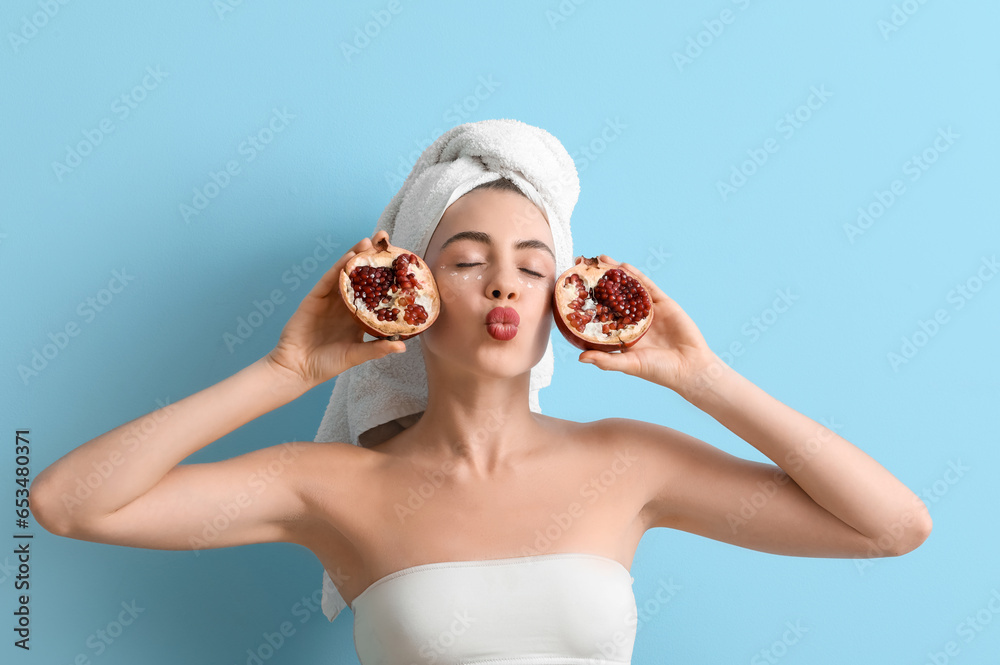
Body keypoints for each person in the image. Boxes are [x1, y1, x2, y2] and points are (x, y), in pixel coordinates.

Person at [31, 151, 931, 665]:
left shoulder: (630, 461)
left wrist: (703, 377)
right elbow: (69, 502)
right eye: (467, 260)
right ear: (412, 288)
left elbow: (892, 526)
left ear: (559, 297)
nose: (506, 279)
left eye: (536, 264)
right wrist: (282, 370)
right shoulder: (329, 485)